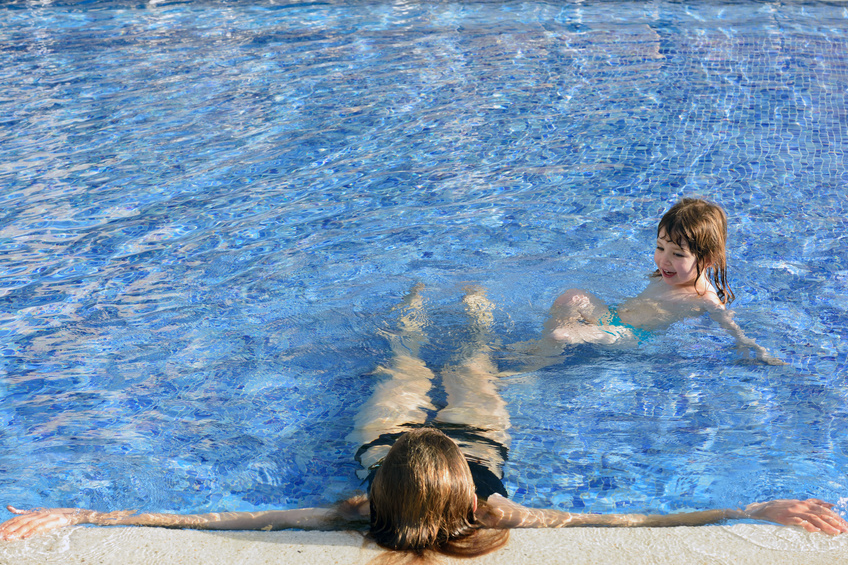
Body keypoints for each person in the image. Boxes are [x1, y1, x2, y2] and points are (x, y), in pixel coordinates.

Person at [2, 287, 845, 558]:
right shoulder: (492, 507)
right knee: (461, 367)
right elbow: (631, 518)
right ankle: (441, 319)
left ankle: (429, 318)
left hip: (393, 442)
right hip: (470, 447)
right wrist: (750, 507)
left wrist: (85, 511)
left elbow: (219, 520)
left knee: (404, 370)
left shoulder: (364, 506)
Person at [520, 198, 783, 368]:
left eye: (678, 255)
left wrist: (753, 348)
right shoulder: (668, 273)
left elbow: (729, 325)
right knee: (573, 296)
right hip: (612, 316)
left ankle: (535, 364)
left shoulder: (703, 297)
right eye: (660, 248)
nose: (664, 261)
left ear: (708, 259)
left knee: (561, 334)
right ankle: (543, 352)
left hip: (630, 336)